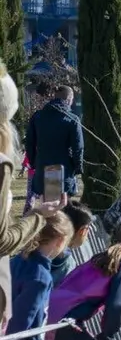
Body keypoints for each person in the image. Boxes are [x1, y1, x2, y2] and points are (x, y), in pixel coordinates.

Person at [0, 60, 67, 324]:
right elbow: (2, 239)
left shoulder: (38, 118)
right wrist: (38, 215)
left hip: (39, 168)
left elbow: (32, 144)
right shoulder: (2, 164)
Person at [24, 85, 82, 202]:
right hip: (63, 168)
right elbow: (78, 147)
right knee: (62, 209)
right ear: (69, 99)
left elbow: (29, 143)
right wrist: (77, 167)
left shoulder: (38, 116)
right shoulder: (72, 118)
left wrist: (34, 162)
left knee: (47, 208)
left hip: (43, 166)